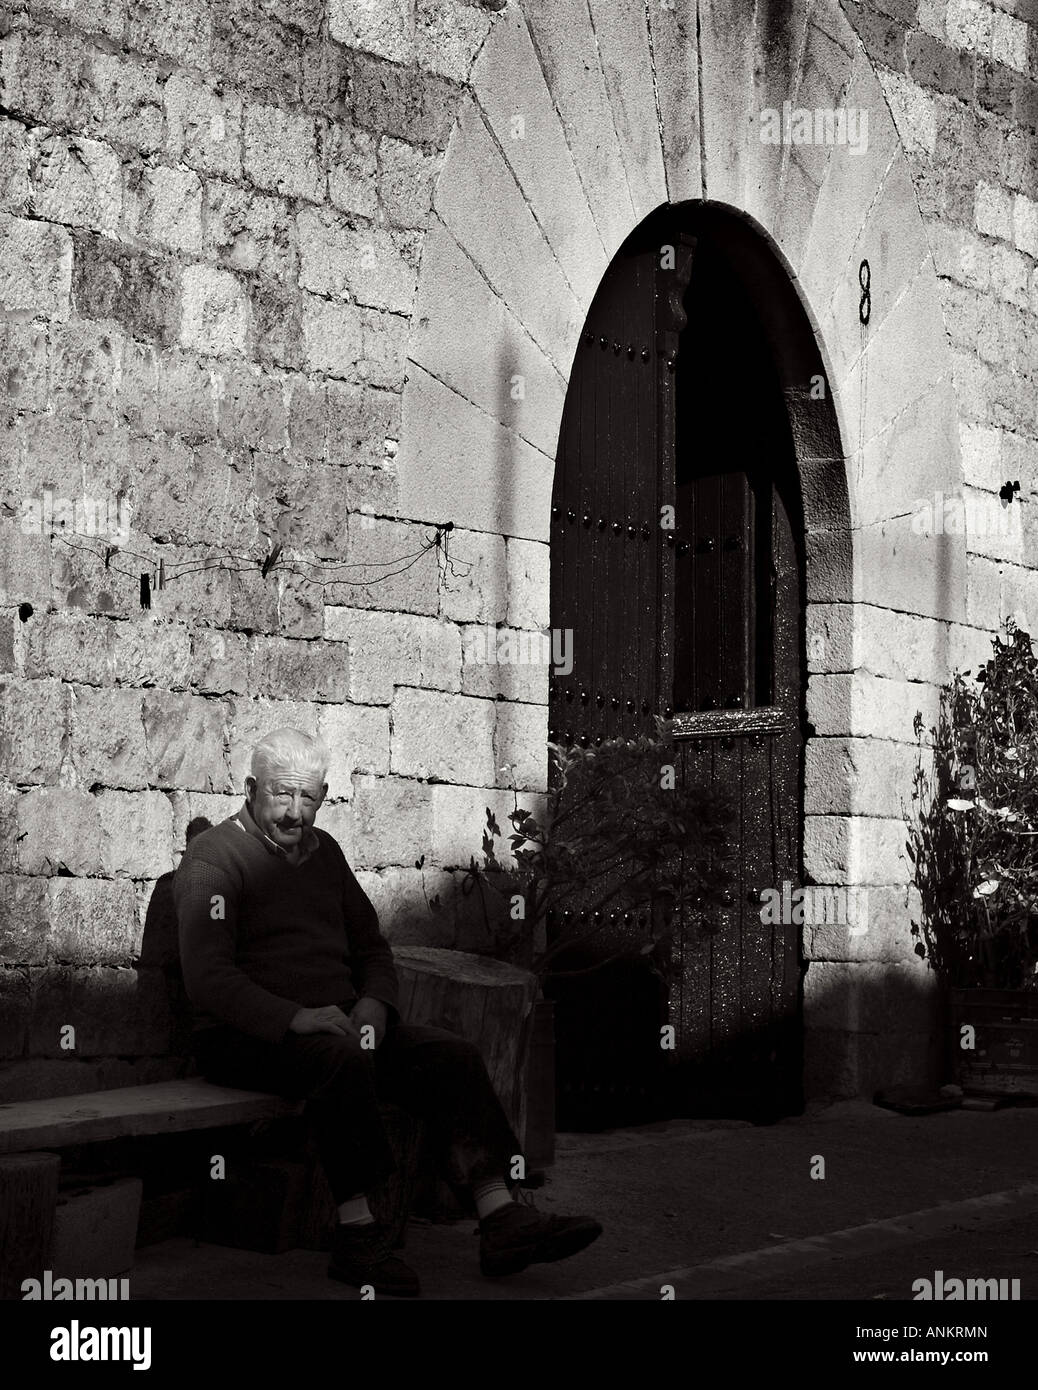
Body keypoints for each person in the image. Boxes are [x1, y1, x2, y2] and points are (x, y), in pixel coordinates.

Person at [173, 727, 602, 1297]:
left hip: (338, 1023)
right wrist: (293, 1018)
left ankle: (499, 1215)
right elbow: (209, 980)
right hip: (245, 1036)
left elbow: (371, 945)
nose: (296, 813)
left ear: (324, 794)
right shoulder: (214, 859)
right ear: (251, 789)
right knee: (339, 1059)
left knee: (448, 1056)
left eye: (309, 798)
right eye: (281, 796)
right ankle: (357, 1234)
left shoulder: (325, 854)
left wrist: (375, 1003)